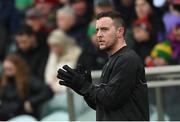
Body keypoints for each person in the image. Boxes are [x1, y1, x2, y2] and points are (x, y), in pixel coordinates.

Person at [57, 11, 149, 121]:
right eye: (97, 30)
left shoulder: (127, 59)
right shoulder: (111, 61)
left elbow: (110, 100)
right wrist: (82, 89)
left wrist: (84, 86)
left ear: (120, 31)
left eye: (104, 29)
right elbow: (101, 105)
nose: (99, 34)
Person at [0, 54, 53, 120]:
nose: (7, 72)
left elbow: (47, 91)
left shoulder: (28, 79)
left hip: (21, 114)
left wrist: (31, 102)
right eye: (6, 69)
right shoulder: (5, 80)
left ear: (17, 67)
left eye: (10, 69)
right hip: (5, 113)